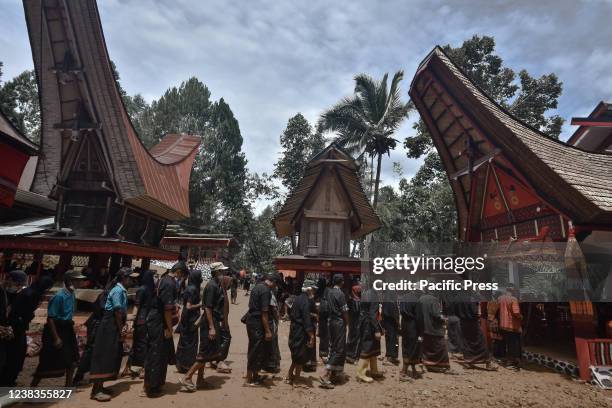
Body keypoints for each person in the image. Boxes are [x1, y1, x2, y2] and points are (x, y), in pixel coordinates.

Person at [31, 270, 85, 386]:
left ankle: (68, 387)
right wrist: (56, 338)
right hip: (56, 330)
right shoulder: (59, 296)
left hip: (67, 329)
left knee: (72, 360)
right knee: (47, 362)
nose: (80, 283)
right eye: (78, 280)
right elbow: (51, 318)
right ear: (70, 281)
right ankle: (32, 389)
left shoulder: (72, 295)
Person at [179, 262, 226, 391]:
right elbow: (208, 308)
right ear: (216, 272)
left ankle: (200, 380)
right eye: (221, 271)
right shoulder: (212, 286)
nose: (223, 274)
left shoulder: (216, 285)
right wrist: (211, 327)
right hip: (209, 322)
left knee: (208, 353)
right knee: (204, 353)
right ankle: (187, 377)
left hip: (212, 321)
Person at [89, 268, 133, 401]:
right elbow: (117, 311)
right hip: (110, 325)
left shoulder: (121, 290)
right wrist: (121, 329)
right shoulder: (118, 291)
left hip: (113, 324)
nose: (132, 280)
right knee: (104, 354)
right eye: (130, 278)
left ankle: (100, 386)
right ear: (124, 278)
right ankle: (96, 390)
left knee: (109, 354)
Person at [0, 270, 48, 386]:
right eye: (17, 284)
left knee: (16, 357)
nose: (18, 287)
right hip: (4, 330)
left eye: (20, 285)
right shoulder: (2, 292)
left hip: (13, 330)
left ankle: (8, 381)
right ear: (9, 279)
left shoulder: (19, 294)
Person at [143, 264, 183, 397]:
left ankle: (153, 383)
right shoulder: (170, 284)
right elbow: (166, 309)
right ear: (178, 272)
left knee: (158, 352)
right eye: (182, 274)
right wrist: (170, 328)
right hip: (159, 321)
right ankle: (152, 386)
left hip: (156, 319)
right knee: (157, 353)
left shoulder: (164, 280)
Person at [245, 272, 280, 386]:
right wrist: (268, 331)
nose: (276, 286)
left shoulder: (258, 286)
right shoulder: (266, 291)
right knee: (255, 350)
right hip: (257, 323)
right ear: (273, 282)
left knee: (256, 349)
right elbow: (264, 313)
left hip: (252, 321)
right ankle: (249, 379)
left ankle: (255, 376)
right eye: (276, 284)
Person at [74, 280, 110, 385]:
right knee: (91, 350)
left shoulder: (103, 295)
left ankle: (88, 375)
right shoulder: (105, 297)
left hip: (96, 324)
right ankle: (80, 376)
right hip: (96, 325)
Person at [121, 269, 155, 378]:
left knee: (138, 344)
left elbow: (137, 305)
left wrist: (132, 320)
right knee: (143, 344)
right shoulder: (152, 290)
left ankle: (135, 368)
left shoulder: (142, 289)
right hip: (148, 319)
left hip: (140, 319)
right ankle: (135, 368)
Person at [319, 274, 349, 389]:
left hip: (330, 321)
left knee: (333, 347)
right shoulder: (340, 294)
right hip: (338, 322)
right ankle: (325, 374)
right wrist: (347, 322)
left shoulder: (329, 292)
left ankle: (334, 373)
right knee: (339, 348)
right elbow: (345, 311)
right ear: (341, 282)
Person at [286, 279, 316, 386]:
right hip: (300, 330)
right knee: (300, 355)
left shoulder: (298, 298)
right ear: (309, 289)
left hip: (294, 328)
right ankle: (297, 380)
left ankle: (289, 375)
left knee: (296, 354)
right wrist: (311, 335)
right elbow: (306, 319)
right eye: (313, 289)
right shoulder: (305, 301)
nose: (314, 291)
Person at [454, 295, 496, 371]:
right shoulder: (471, 298)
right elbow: (474, 311)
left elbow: (455, 311)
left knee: (467, 342)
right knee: (480, 341)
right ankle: (487, 362)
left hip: (463, 323)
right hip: (473, 323)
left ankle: (468, 361)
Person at [418, 291, 453, 373]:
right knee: (441, 347)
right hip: (433, 328)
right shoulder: (434, 300)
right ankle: (443, 366)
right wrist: (444, 319)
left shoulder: (421, 298)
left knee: (427, 347)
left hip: (424, 327)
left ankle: (427, 363)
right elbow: (436, 315)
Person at [175, 270, 202, 374]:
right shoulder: (193, 289)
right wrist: (201, 305)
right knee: (190, 343)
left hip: (187, 319)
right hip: (190, 320)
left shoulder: (189, 288)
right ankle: (187, 366)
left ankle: (181, 365)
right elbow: (188, 306)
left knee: (184, 341)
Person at [355, 289, 383, 383]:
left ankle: (374, 371)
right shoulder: (374, 295)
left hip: (364, 322)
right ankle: (361, 373)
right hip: (369, 324)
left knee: (373, 348)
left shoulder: (366, 292)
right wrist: (376, 330)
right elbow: (372, 314)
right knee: (367, 348)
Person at [399, 291, 423, 381]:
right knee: (413, 348)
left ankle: (407, 369)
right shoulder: (417, 301)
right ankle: (408, 370)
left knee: (405, 346)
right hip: (413, 326)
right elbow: (419, 318)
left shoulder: (403, 298)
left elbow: (401, 311)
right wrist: (421, 332)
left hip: (404, 324)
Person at [498, 286, 522, 370]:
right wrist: (521, 317)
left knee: (505, 342)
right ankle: (511, 362)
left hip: (502, 324)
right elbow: (516, 312)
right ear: (513, 291)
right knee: (513, 344)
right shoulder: (513, 299)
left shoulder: (500, 298)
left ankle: (505, 358)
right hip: (512, 325)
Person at [346, 279, 361, 364]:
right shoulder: (351, 300)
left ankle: (353, 355)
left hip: (356, 322)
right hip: (354, 322)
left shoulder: (358, 299)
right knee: (353, 338)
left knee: (355, 338)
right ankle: (351, 355)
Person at [382, 295, 400, 365]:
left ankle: (388, 355)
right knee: (394, 341)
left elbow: (382, 313)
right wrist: (398, 324)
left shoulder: (385, 301)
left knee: (388, 340)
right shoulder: (392, 302)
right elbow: (395, 315)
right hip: (393, 324)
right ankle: (392, 357)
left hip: (387, 323)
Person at [487, 291, 505, 360]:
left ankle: (495, 354)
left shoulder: (490, 302)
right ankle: (499, 355)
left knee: (495, 339)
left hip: (491, 322)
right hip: (496, 322)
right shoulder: (497, 303)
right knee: (499, 339)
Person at [317, 277, 330, 362]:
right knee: (326, 335)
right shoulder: (328, 290)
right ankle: (324, 352)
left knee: (322, 334)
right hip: (326, 314)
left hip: (321, 313)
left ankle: (322, 352)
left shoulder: (319, 290)